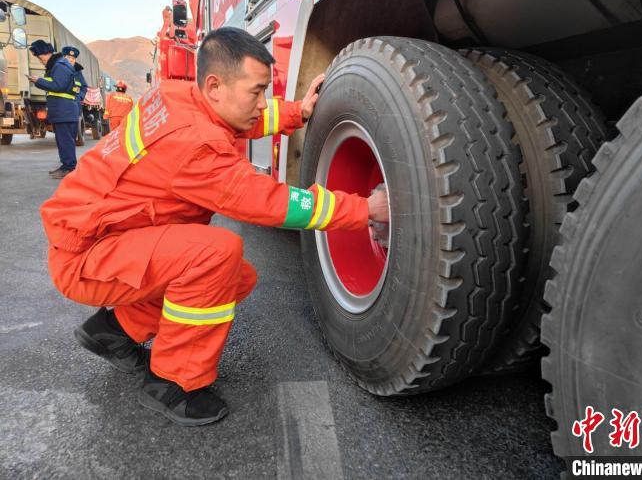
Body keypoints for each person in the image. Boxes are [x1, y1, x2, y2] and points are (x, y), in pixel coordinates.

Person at [40, 27, 390, 427]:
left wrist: (298, 112)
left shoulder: (178, 95)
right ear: (215, 86)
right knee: (214, 255)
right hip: (86, 256)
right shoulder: (196, 146)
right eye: (256, 92)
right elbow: (275, 204)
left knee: (235, 277)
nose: (261, 104)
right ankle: (171, 383)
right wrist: (364, 209)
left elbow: (240, 122)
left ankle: (112, 331)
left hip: (105, 239)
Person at [27, 40, 79, 179]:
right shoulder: (58, 65)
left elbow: (58, 86)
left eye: (39, 57)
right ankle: (66, 166)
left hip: (64, 111)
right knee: (63, 141)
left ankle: (69, 168)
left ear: (47, 53)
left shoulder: (60, 65)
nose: (40, 61)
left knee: (65, 141)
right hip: (63, 110)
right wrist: (39, 82)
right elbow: (54, 86)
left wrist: (38, 81)